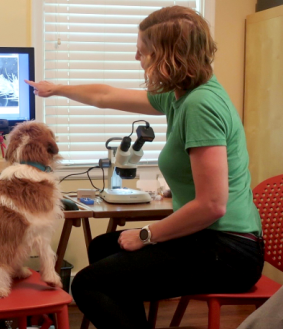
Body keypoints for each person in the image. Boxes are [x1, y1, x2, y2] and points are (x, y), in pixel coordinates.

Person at [26, 6, 264, 329]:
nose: (137, 57)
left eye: (144, 51)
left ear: (170, 56)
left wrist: (146, 233)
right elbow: (106, 95)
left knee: (87, 284)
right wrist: (56, 89)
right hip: (207, 239)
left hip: (229, 251)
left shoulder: (200, 105)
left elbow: (212, 204)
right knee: (102, 247)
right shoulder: (180, 95)